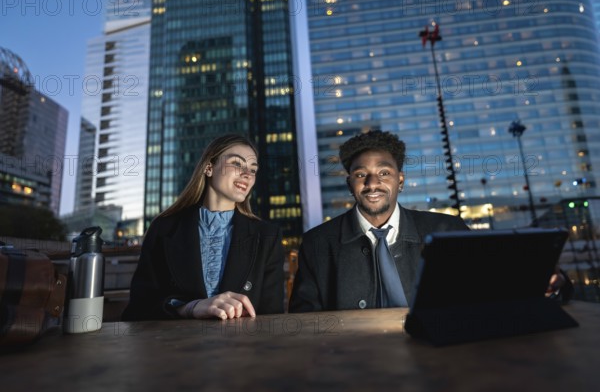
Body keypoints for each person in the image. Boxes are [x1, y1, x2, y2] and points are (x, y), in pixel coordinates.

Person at [289, 130, 570, 312]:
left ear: (401, 180)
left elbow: (490, 291)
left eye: (384, 173)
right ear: (350, 184)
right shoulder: (317, 243)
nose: (373, 183)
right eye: (361, 175)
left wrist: (543, 282)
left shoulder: (448, 229)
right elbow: (305, 323)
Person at [122, 134, 284, 321]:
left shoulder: (267, 237)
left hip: (243, 346)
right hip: (174, 345)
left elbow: (272, 318)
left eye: (253, 170)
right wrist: (189, 308)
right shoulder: (164, 228)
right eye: (237, 164)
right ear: (209, 168)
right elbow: (139, 308)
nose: (247, 174)